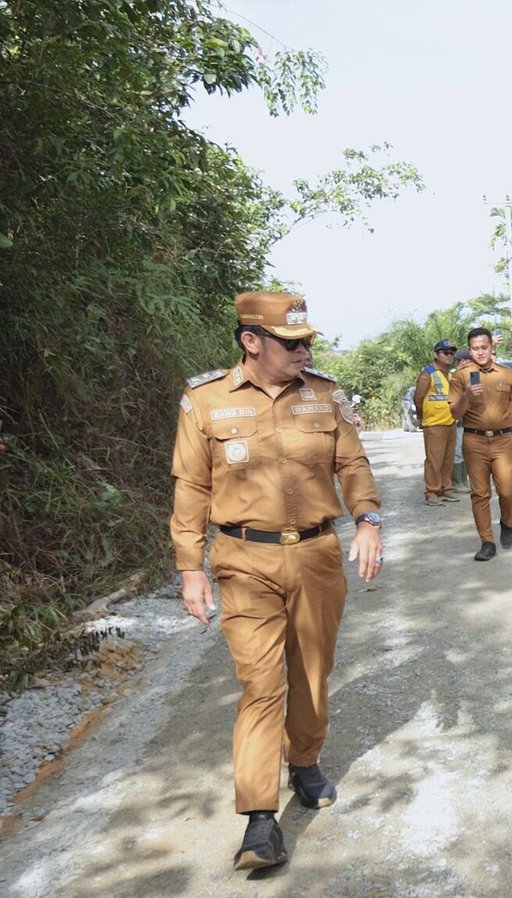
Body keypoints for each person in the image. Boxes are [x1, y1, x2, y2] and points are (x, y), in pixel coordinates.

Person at [170, 291, 383, 871]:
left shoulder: (323, 394)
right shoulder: (205, 401)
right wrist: (191, 566)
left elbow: (353, 464)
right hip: (244, 559)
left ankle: (306, 763)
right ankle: (260, 820)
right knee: (261, 683)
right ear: (251, 341)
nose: (303, 350)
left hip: (316, 553)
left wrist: (367, 520)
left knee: (312, 670)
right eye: (291, 343)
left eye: (307, 340)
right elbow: (190, 487)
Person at [448, 326, 512, 561]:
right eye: (475, 349)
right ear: (469, 351)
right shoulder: (460, 376)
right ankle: (487, 541)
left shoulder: (507, 374)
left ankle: (507, 523)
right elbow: (454, 414)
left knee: (508, 489)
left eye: (484, 347)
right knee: (480, 494)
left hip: (503, 440)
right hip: (475, 441)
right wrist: (466, 398)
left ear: (492, 347)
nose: (480, 352)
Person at [413, 339, 461, 506]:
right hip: (434, 423)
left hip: (450, 422)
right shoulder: (428, 373)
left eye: (451, 353)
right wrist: (422, 417)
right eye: (445, 353)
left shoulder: (450, 374)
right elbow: (418, 398)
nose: (449, 356)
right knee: (434, 459)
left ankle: (445, 487)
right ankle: (432, 491)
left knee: (448, 458)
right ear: (436, 355)